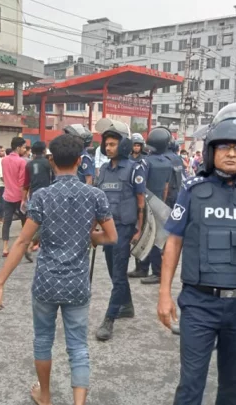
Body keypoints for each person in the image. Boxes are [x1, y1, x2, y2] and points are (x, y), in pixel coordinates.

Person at [158, 103, 236, 405]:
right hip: (199, 302)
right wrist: (164, 294)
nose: (231, 153)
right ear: (211, 150)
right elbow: (173, 242)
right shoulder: (193, 189)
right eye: (223, 146)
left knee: (233, 385)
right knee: (190, 384)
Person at [0, 134, 117, 405]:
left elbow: (23, 241)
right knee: (78, 347)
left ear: (51, 162)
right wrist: (91, 238)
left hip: (46, 282)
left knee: (43, 340)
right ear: (80, 161)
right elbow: (111, 237)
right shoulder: (95, 195)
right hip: (78, 283)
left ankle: (44, 396)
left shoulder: (43, 197)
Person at [94, 120, 146, 341]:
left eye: (113, 144)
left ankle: (109, 319)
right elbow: (98, 199)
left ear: (123, 145)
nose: (108, 148)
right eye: (106, 144)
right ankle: (127, 306)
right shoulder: (104, 170)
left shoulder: (135, 169)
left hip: (124, 228)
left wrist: (138, 229)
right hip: (107, 228)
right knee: (113, 272)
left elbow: (140, 200)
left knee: (118, 272)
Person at [129, 126, 173, 285]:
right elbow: (167, 186)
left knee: (146, 236)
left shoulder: (145, 162)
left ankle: (153, 271)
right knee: (154, 237)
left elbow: (141, 185)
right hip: (159, 202)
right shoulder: (167, 163)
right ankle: (146, 269)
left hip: (146, 202)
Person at [1, 137, 29, 259]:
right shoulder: (22, 162)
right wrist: (24, 198)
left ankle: (5, 247)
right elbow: (22, 182)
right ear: (18, 148)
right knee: (25, 221)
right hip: (18, 195)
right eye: (24, 147)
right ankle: (24, 246)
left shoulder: (4, 160)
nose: (25, 149)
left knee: (6, 222)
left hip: (7, 195)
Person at [164, 138, 184, 208]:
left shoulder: (162, 158)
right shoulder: (178, 158)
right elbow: (183, 176)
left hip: (165, 194)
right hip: (177, 192)